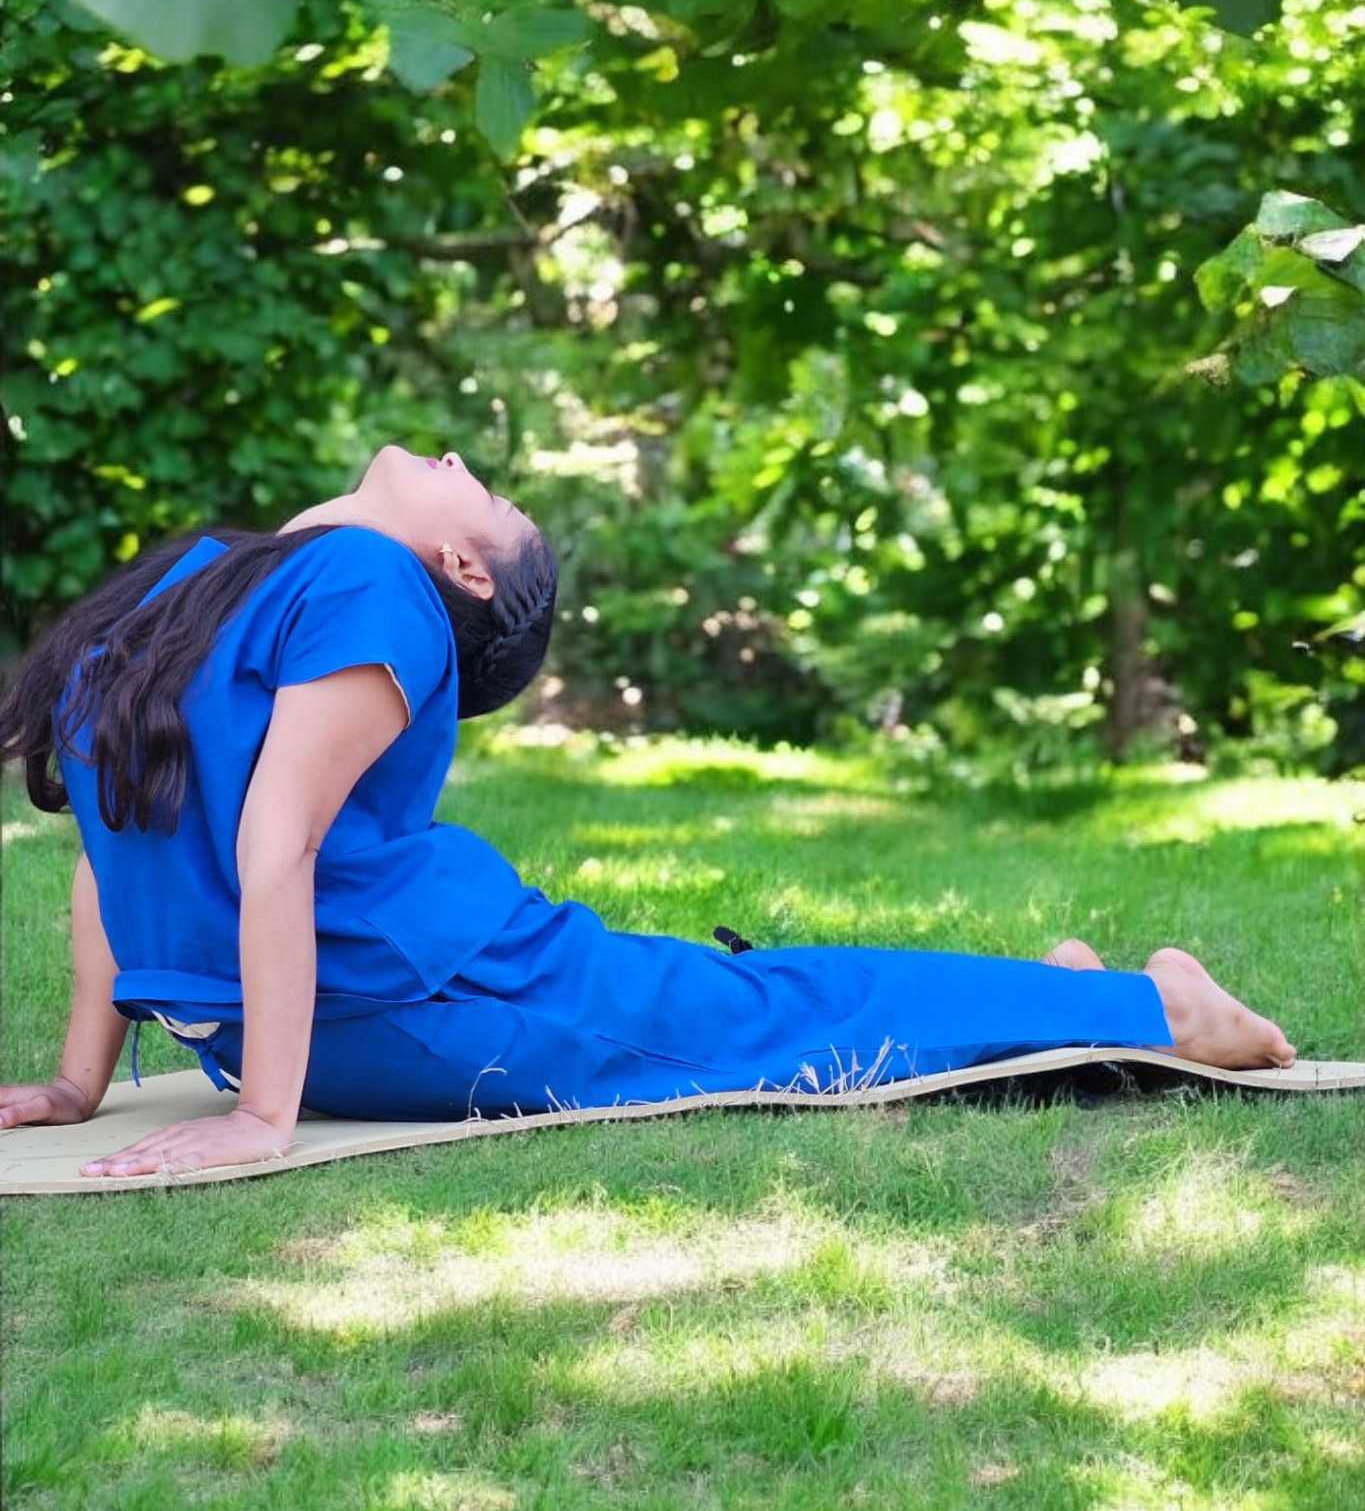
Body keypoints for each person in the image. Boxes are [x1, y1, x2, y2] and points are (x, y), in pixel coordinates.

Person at [0, 445, 1296, 1179]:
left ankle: (1146, 1012)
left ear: (461, 569)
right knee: (764, 1008)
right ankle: (1071, 999)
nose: (458, 461)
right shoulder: (204, 576)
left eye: (488, 500)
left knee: (774, 1018)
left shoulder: (370, 582)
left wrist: (259, 1119)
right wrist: (78, 1080)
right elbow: (122, 829)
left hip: (447, 994)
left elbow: (274, 845)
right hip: (375, 1015)